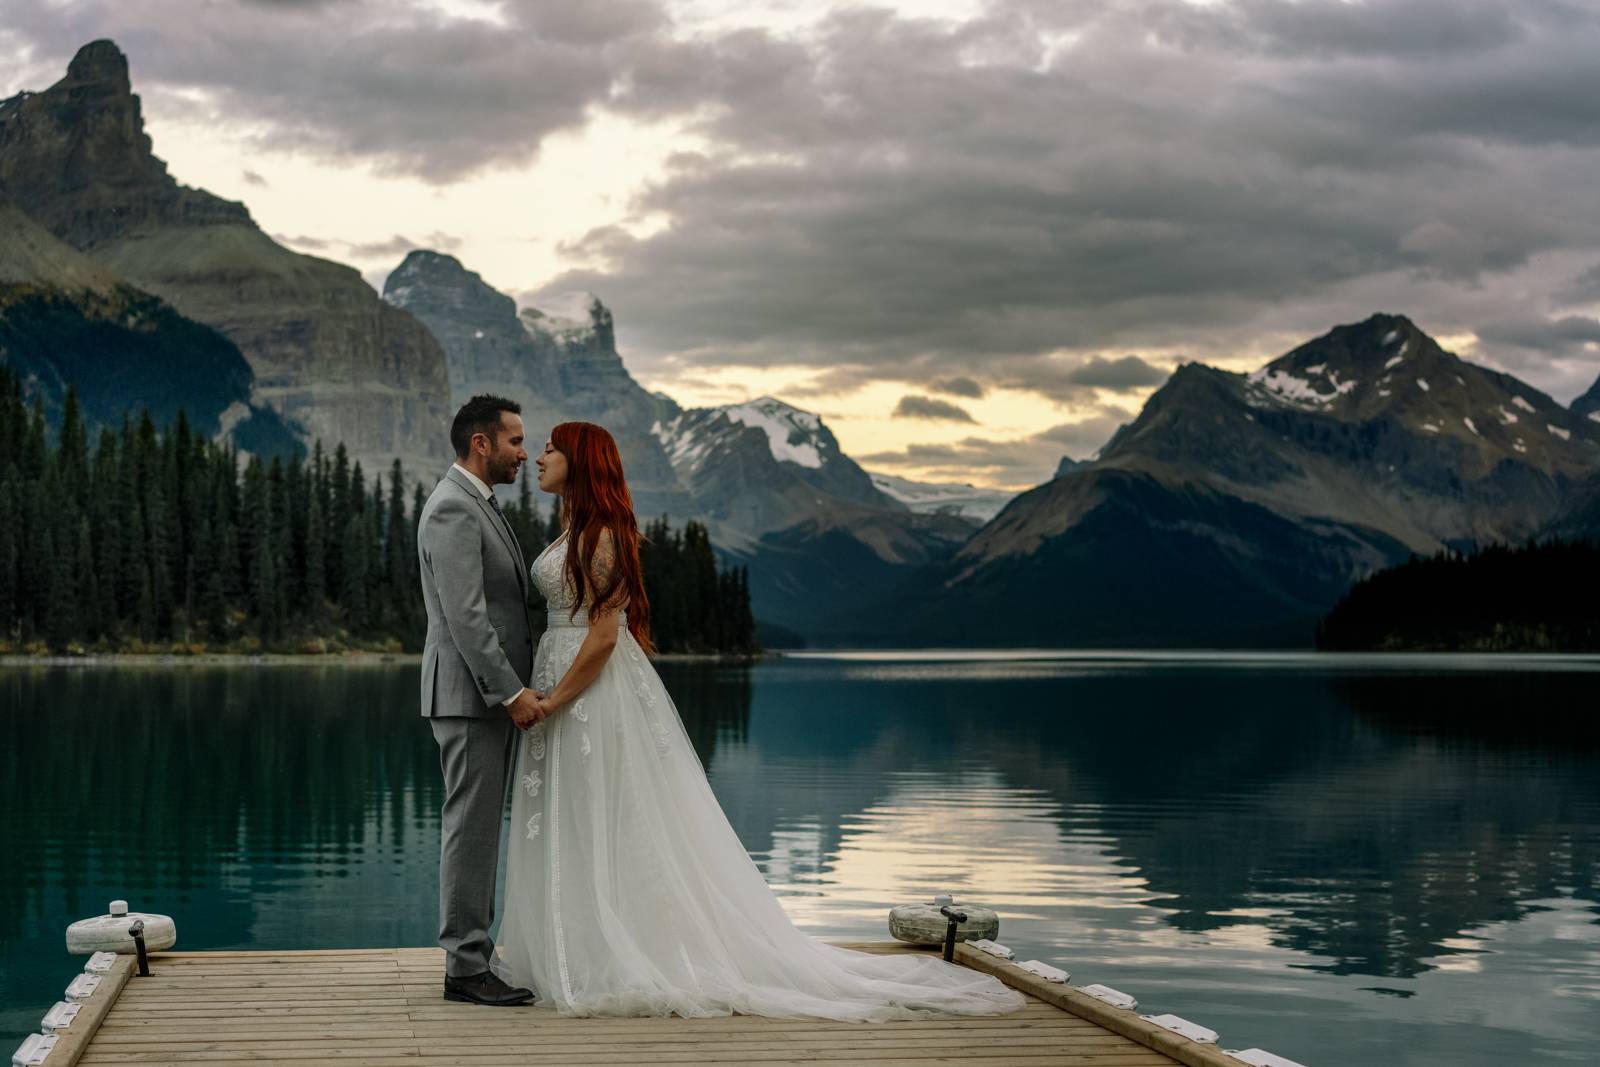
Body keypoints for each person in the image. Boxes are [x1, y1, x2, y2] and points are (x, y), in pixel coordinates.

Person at [493, 420, 1026, 1021]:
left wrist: (555, 699)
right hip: (561, 683)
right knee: (572, 816)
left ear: (581, 460)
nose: (538, 457)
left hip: (588, 693)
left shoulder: (603, 533)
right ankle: (572, 950)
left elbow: (606, 633)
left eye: (550, 449)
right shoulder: (572, 525)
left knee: (604, 813)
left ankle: (612, 954)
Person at [416, 394, 545, 1007]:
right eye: (516, 441)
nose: (526, 452)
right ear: (481, 444)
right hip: (472, 697)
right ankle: (466, 967)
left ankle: (473, 958)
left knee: (478, 828)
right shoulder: (453, 509)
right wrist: (512, 692)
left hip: (481, 697)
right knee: (470, 830)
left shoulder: (477, 505)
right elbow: (468, 619)